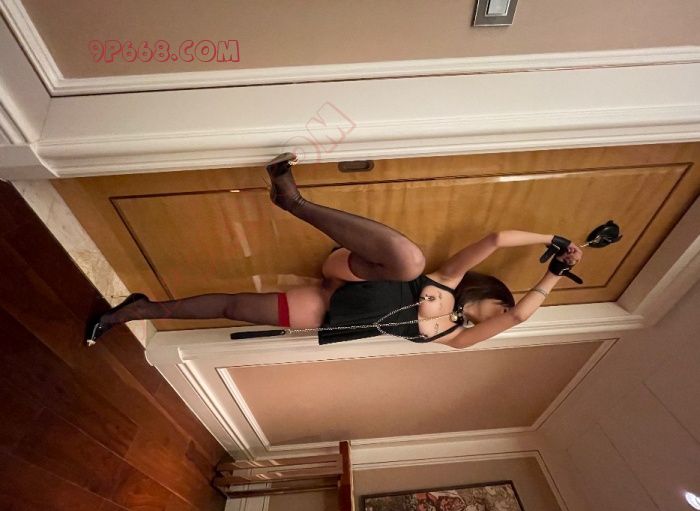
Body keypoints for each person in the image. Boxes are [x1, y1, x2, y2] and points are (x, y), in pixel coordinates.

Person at [86, 152, 583, 348]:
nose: (507, 312)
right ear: (491, 292)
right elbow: (496, 240)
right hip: (355, 270)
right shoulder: (448, 281)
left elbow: (520, 316)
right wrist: (551, 241)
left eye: (507, 311)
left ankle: (139, 310)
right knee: (410, 261)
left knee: (234, 306)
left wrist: (553, 275)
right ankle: (293, 201)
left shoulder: (456, 338)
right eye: (505, 304)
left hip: (330, 307)